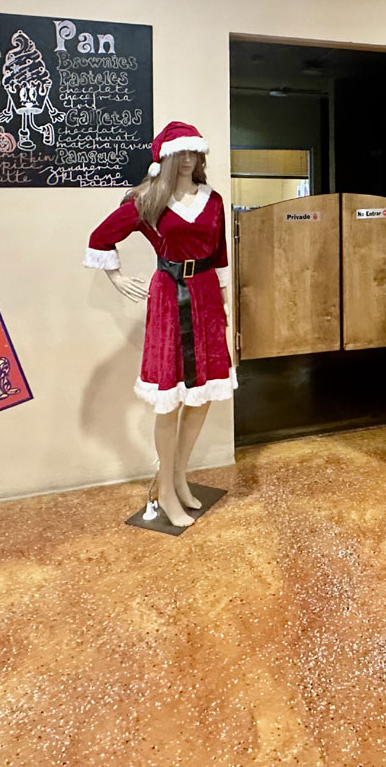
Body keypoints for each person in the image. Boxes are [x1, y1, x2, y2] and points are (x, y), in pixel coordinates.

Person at [86, 121, 234, 526]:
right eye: (180, 152)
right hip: (170, 296)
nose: (188, 159)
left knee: (202, 395)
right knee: (171, 397)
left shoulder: (213, 200)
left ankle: (179, 477)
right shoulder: (149, 199)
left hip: (206, 294)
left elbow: (220, 255)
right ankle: (165, 490)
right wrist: (117, 278)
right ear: (165, 157)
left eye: (193, 152)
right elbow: (101, 237)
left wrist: (224, 303)